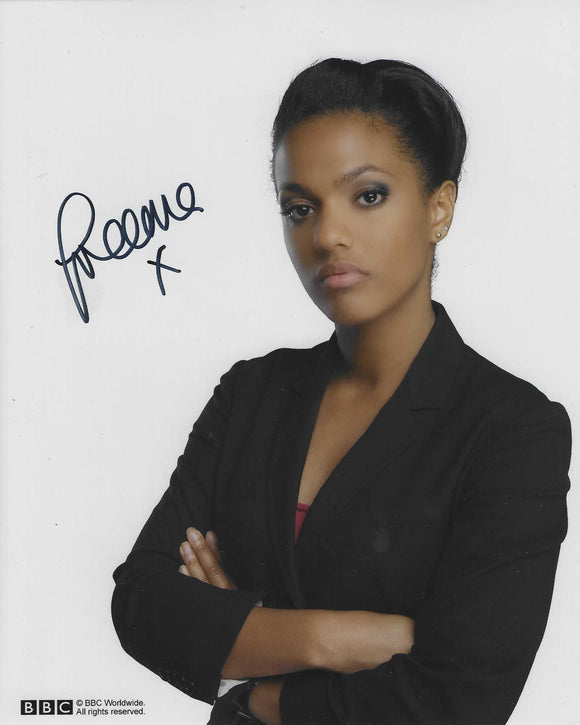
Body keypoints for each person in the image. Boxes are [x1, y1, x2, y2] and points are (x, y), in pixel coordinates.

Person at [111, 58, 572, 725]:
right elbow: (140, 601)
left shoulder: (511, 427)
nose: (326, 235)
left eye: (368, 195)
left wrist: (249, 680)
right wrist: (331, 638)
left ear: (439, 207)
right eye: (299, 208)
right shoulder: (251, 393)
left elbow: (459, 702)